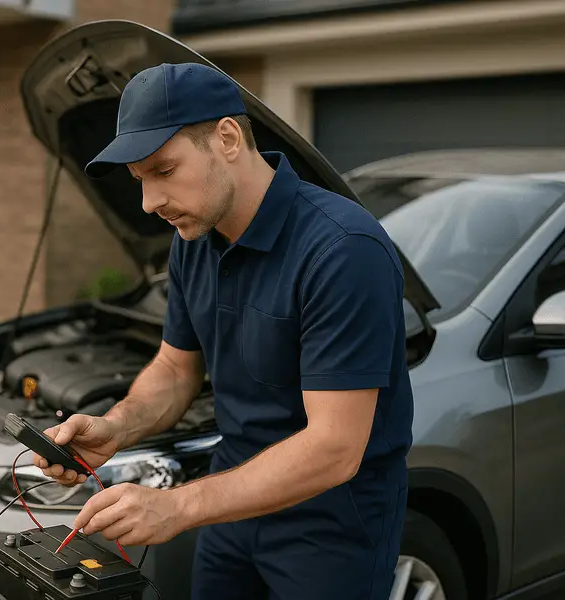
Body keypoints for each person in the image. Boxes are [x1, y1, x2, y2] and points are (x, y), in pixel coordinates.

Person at [33, 62, 413, 599]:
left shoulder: (342, 249)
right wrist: (116, 428)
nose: (149, 203)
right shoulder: (193, 240)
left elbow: (335, 448)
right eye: (139, 180)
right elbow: (175, 368)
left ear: (228, 138)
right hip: (229, 502)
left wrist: (177, 506)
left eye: (164, 170)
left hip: (331, 524)